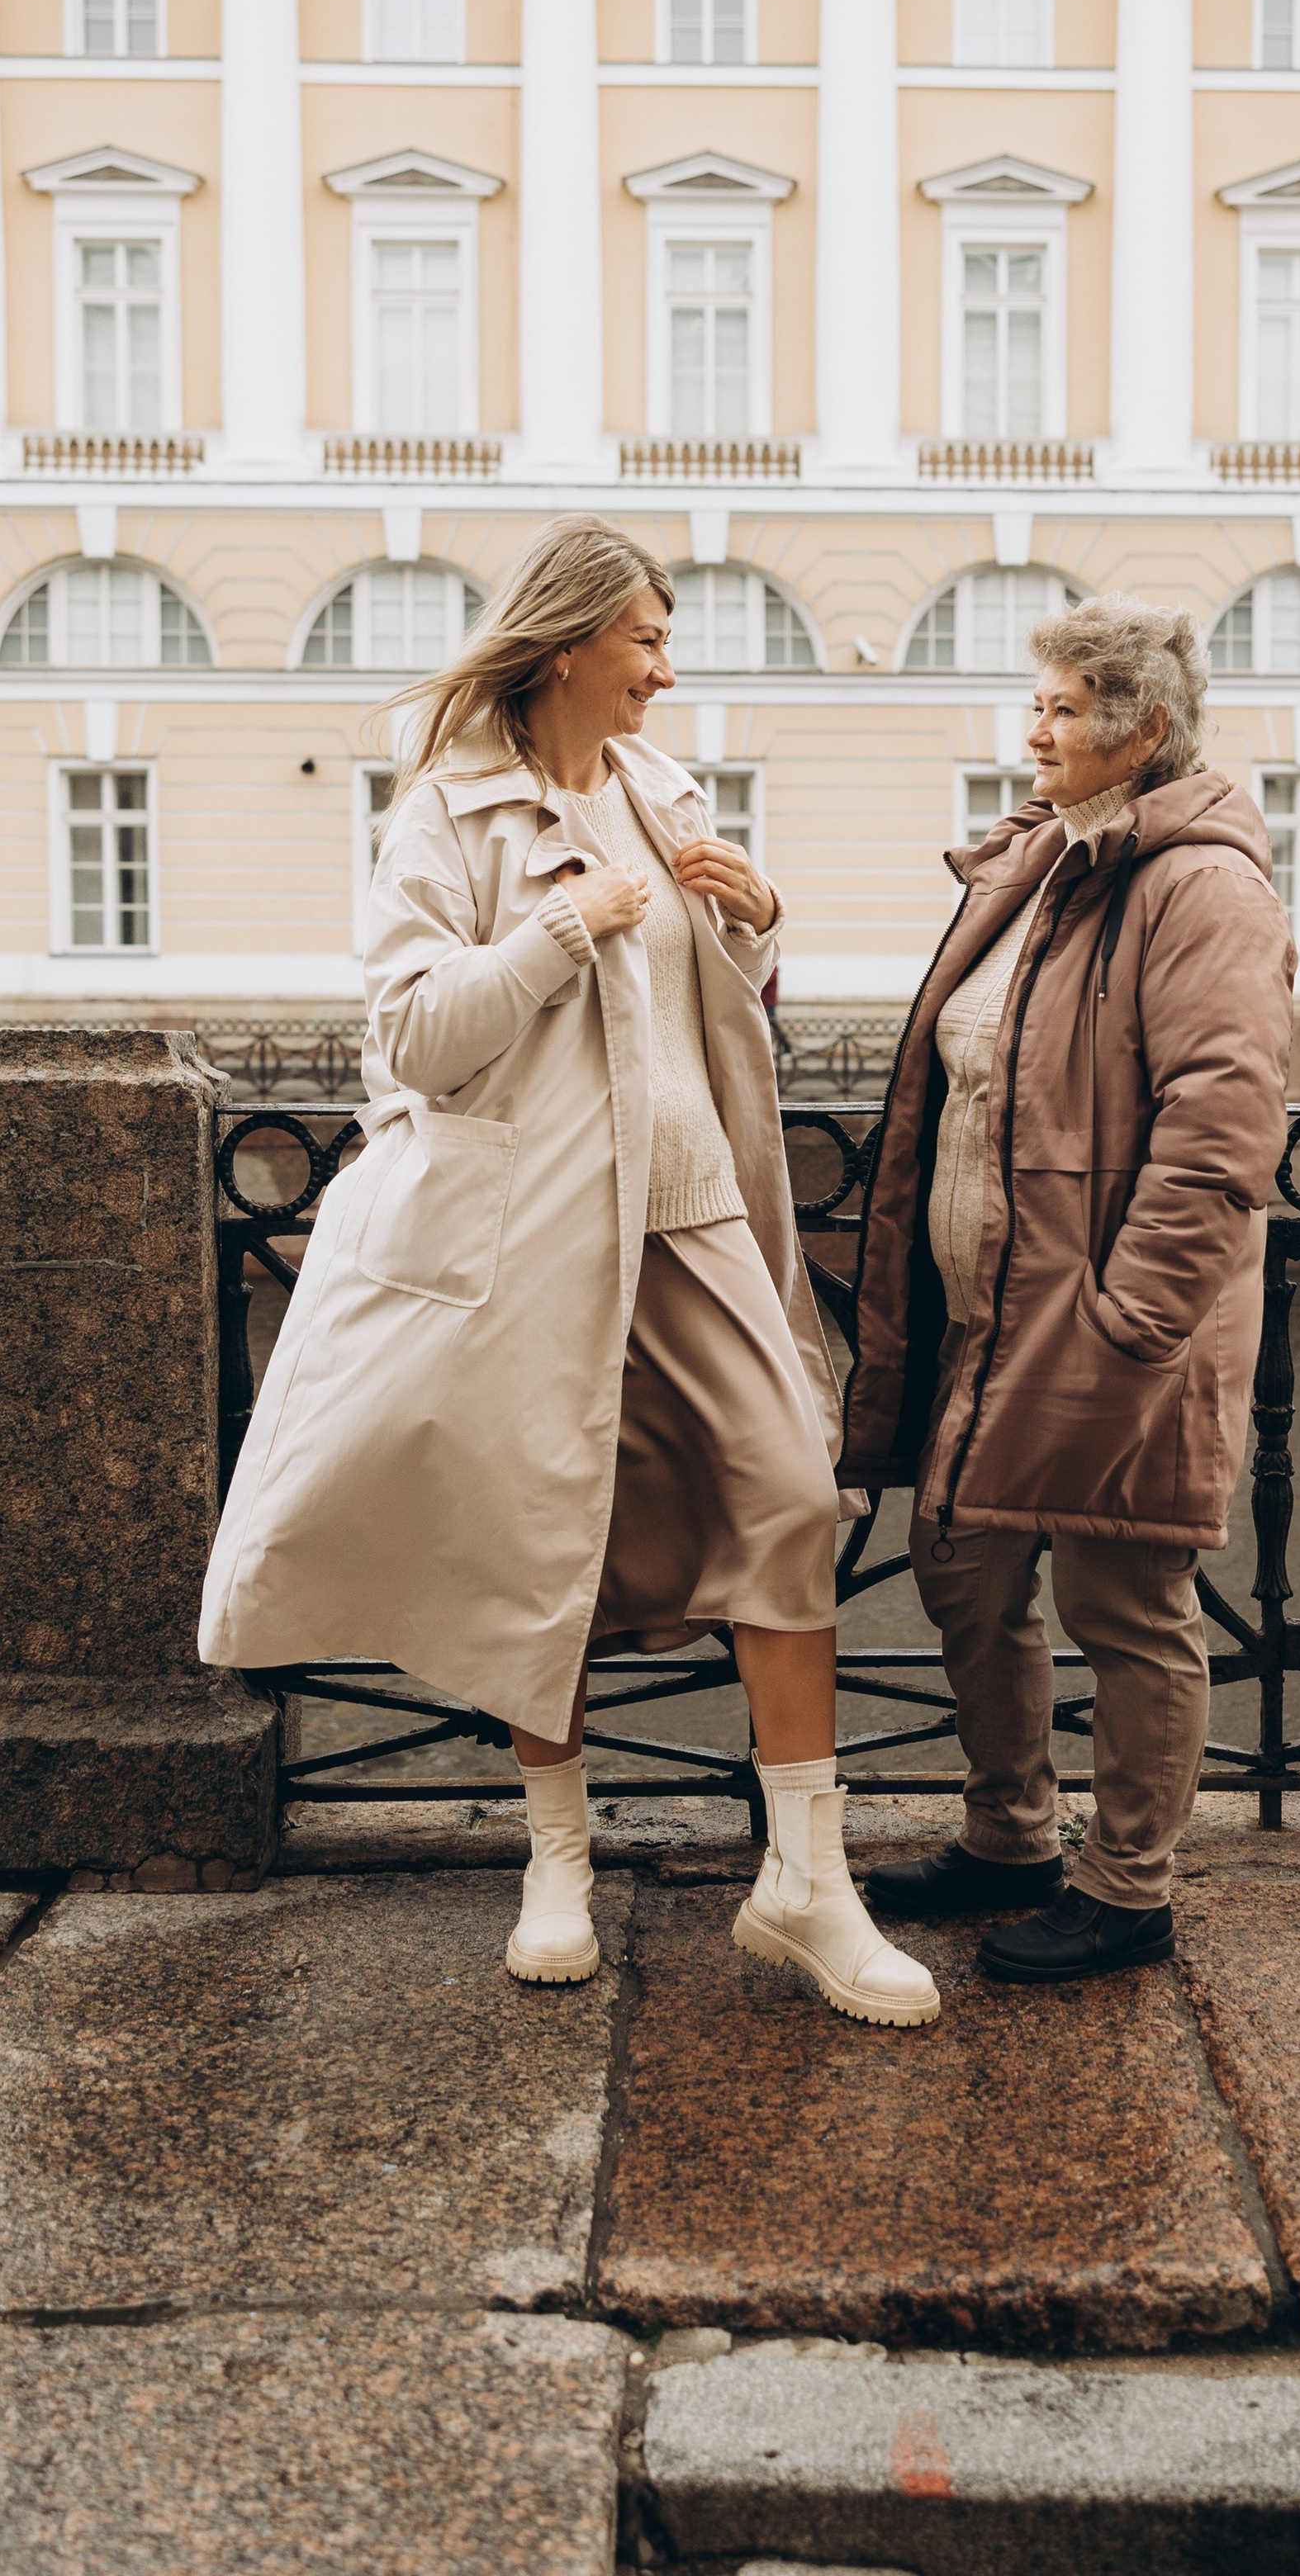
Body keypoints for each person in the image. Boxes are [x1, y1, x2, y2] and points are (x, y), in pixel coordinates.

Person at [201, 514, 937, 2031]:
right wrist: (552, 929)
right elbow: (412, 1040)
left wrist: (758, 925)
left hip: (695, 1210)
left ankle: (806, 1880)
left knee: (792, 1497)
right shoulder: (445, 818)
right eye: (647, 644)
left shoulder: (664, 794)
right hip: (535, 1230)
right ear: (567, 645)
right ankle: (557, 1856)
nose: (666, 674)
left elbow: (693, 1012)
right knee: (549, 1528)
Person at [839, 599, 1296, 1985]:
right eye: (1032, 703)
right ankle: (1009, 1837)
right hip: (986, 1307)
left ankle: (1129, 1887)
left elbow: (1222, 1124)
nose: (1031, 729)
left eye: (1059, 709)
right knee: (965, 1574)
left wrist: (1134, 1319)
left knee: (1127, 1604)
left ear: (1140, 730)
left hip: (1109, 1323)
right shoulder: (1039, 864)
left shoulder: (1197, 885)